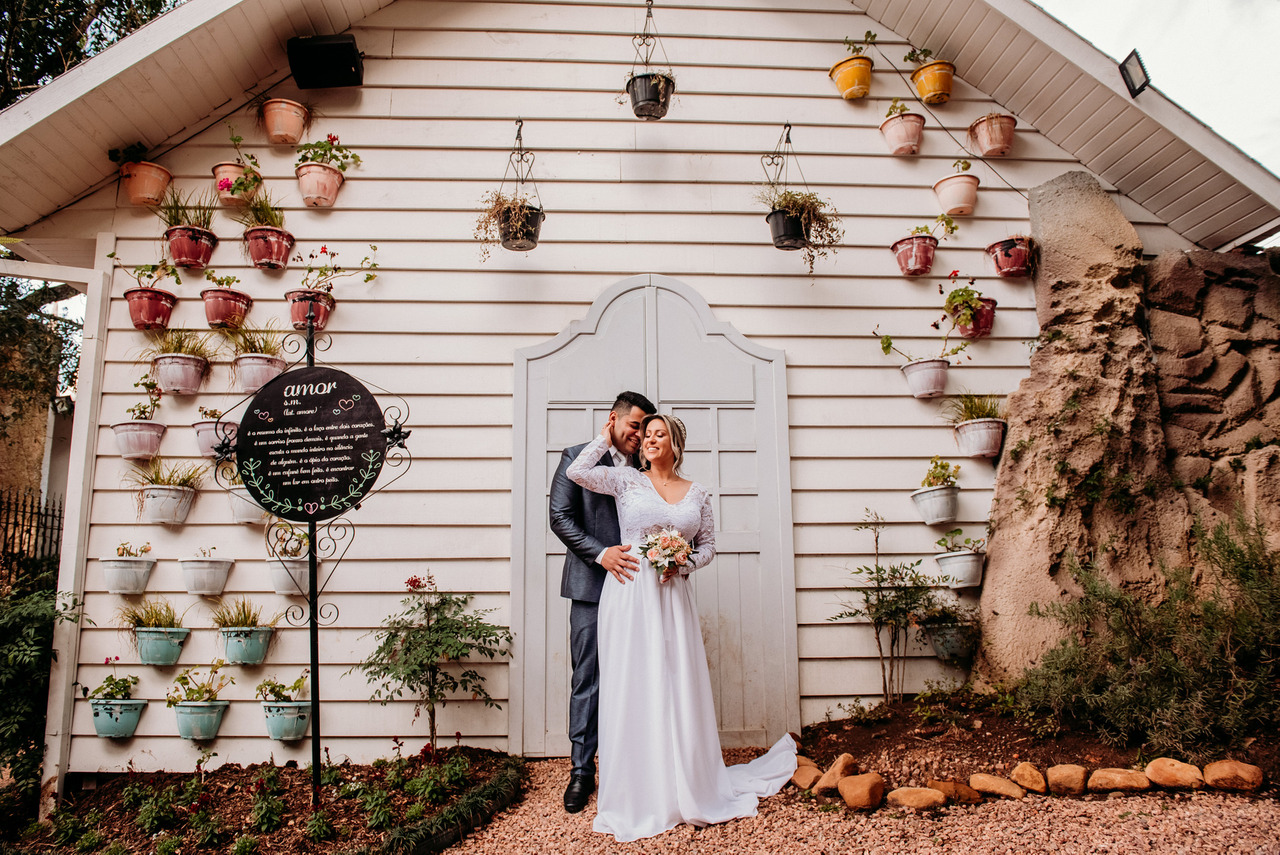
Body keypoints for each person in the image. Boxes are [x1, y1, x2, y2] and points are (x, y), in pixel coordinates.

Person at [567, 412, 797, 842]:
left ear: (676, 444)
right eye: (646, 435)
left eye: (659, 434)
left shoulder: (698, 492)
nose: (649, 440)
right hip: (631, 591)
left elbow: (708, 545)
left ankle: (686, 783)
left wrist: (684, 561)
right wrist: (604, 437)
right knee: (634, 683)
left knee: (677, 682)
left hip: (673, 597)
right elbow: (577, 471)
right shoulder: (624, 480)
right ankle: (640, 789)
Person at [549, 391, 657, 813]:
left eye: (646, 429)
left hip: (639, 588)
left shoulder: (647, 466)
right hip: (591, 587)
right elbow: (560, 517)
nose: (640, 435)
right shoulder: (576, 456)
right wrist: (601, 553)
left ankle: (632, 767)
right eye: (635, 426)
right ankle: (581, 772)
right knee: (588, 679)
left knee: (638, 677)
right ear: (613, 419)